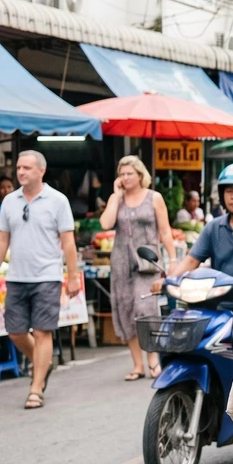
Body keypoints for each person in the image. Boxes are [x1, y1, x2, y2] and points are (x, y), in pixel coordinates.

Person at [0, 151, 81, 410]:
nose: (21, 172)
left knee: (41, 332)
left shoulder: (58, 200)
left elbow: (68, 241)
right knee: (15, 331)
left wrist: (73, 276)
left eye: (27, 168)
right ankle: (43, 363)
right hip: (16, 277)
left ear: (41, 171)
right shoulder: (9, 201)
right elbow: (2, 239)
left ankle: (36, 389)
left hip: (47, 276)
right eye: (19, 168)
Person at [156, 164, 233, 329]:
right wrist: (168, 281)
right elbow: (191, 261)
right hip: (216, 304)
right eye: (229, 191)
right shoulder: (213, 227)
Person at [99, 156, 178, 381]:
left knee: (145, 308)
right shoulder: (118, 199)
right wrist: (115, 196)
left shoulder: (154, 198)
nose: (125, 178)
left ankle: (153, 359)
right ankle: (137, 365)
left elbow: (165, 231)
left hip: (147, 260)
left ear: (140, 175)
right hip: (121, 260)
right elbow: (105, 224)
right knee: (126, 309)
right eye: (122, 174)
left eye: (129, 174)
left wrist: (172, 260)